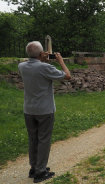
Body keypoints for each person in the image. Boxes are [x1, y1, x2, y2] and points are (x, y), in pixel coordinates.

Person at [18, 41, 71, 183]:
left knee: (33, 139)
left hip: (29, 109)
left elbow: (33, 66)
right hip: (45, 110)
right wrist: (60, 61)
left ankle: (34, 167)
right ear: (41, 53)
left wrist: (40, 59)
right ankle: (40, 172)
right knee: (43, 140)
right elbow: (67, 76)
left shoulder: (21, 66)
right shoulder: (45, 67)